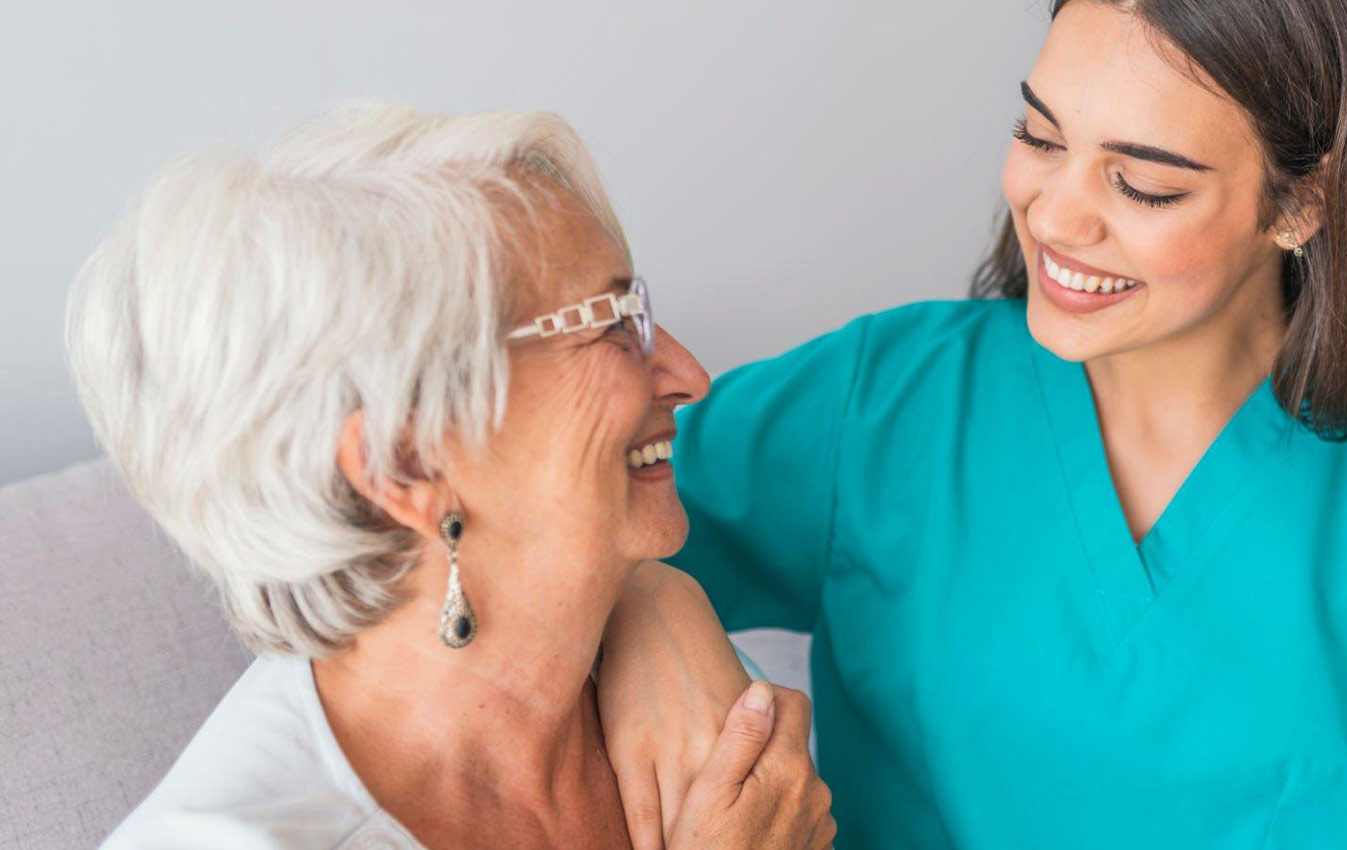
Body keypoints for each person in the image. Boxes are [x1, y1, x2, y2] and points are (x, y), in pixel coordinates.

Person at [597, 2, 1347, 848]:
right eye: (1041, 135)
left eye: (1143, 184)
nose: (1055, 216)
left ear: (1303, 201)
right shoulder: (882, 401)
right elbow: (562, 524)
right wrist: (655, 606)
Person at [69, 102, 832, 850]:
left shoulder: (682, 697)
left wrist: (661, 594)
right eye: (611, 326)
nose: (688, 376)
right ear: (403, 464)